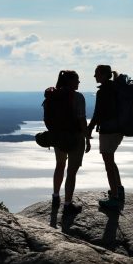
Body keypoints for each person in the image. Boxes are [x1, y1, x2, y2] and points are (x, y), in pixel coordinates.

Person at [51, 70, 90, 215]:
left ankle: (56, 197)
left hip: (59, 137)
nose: (79, 82)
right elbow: (81, 119)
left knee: (59, 165)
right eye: (77, 80)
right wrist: (87, 138)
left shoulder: (55, 95)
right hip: (75, 137)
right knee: (72, 171)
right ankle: (67, 204)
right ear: (70, 82)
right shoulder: (78, 97)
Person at [87, 65, 125, 209]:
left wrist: (89, 128)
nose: (94, 76)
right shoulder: (115, 88)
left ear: (103, 75)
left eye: (96, 73)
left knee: (108, 163)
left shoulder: (104, 91)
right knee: (111, 160)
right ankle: (118, 189)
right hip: (118, 129)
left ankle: (114, 197)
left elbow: (98, 112)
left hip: (108, 130)